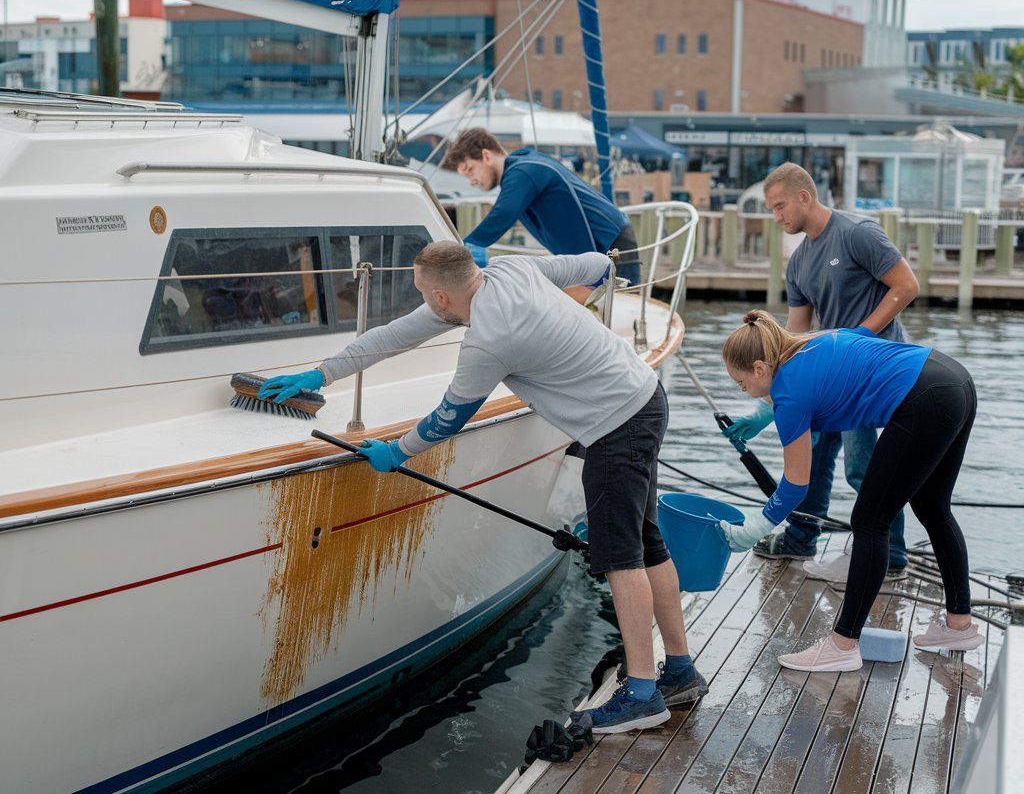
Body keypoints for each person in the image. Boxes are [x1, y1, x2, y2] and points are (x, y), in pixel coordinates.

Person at [258, 242, 706, 732]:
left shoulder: (488, 342)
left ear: (441, 297)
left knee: (621, 558)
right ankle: (679, 670)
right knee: (646, 543)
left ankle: (642, 693)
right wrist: (322, 372)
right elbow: (599, 266)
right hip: (644, 396)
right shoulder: (513, 269)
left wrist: (397, 452)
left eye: (423, 293)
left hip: (614, 427)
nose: (423, 303)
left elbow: (448, 418)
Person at [718, 310, 979, 672]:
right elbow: (854, 350)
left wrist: (755, 528)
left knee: (870, 521)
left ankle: (842, 645)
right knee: (933, 508)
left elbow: (795, 486)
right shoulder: (812, 341)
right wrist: (766, 415)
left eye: (741, 383)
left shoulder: (789, 396)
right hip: (953, 380)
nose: (743, 390)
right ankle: (959, 626)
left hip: (923, 401)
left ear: (760, 368)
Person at [725, 162, 920, 581]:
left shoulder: (857, 233)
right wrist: (765, 409)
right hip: (826, 380)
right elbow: (792, 339)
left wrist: (858, 337)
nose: (776, 217)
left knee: (862, 469)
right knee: (810, 458)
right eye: (771, 209)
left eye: (780, 206)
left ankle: (891, 556)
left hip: (870, 376)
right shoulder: (798, 264)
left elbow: (906, 286)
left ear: (804, 196)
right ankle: (801, 539)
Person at [442, 128, 642, 286]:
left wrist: (464, 250)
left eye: (470, 170)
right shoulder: (524, 166)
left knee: (624, 310)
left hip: (611, 242)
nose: (472, 181)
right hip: (604, 244)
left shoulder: (523, 171)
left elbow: (503, 213)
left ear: (486, 156)